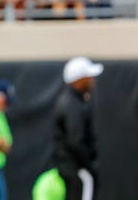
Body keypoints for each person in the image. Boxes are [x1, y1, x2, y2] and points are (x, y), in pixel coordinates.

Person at [53, 57, 104, 200]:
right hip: (78, 169)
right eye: (88, 76)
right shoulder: (72, 104)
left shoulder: (75, 101)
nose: (92, 80)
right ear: (79, 80)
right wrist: (88, 165)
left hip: (75, 167)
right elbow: (75, 140)